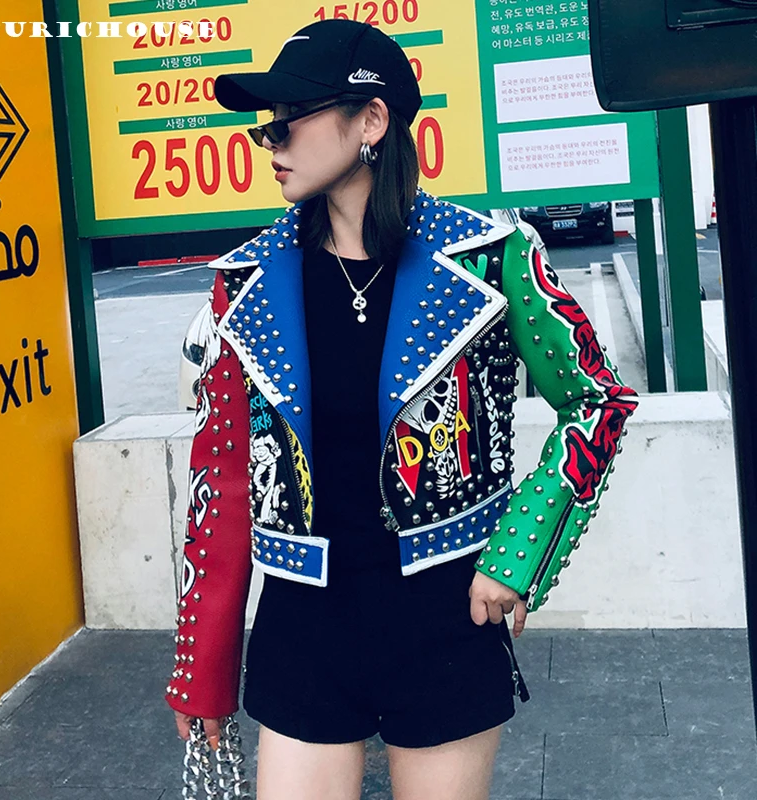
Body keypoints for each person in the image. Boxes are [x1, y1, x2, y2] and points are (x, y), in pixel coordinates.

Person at [166, 19, 638, 800]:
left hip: (444, 618)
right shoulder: (244, 282)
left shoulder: (492, 258)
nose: (269, 140)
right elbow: (221, 480)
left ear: (373, 121)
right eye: (265, 124)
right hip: (303, 623)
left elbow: (598, 399)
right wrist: (202, 665)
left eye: (290, 119)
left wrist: (520, 555)